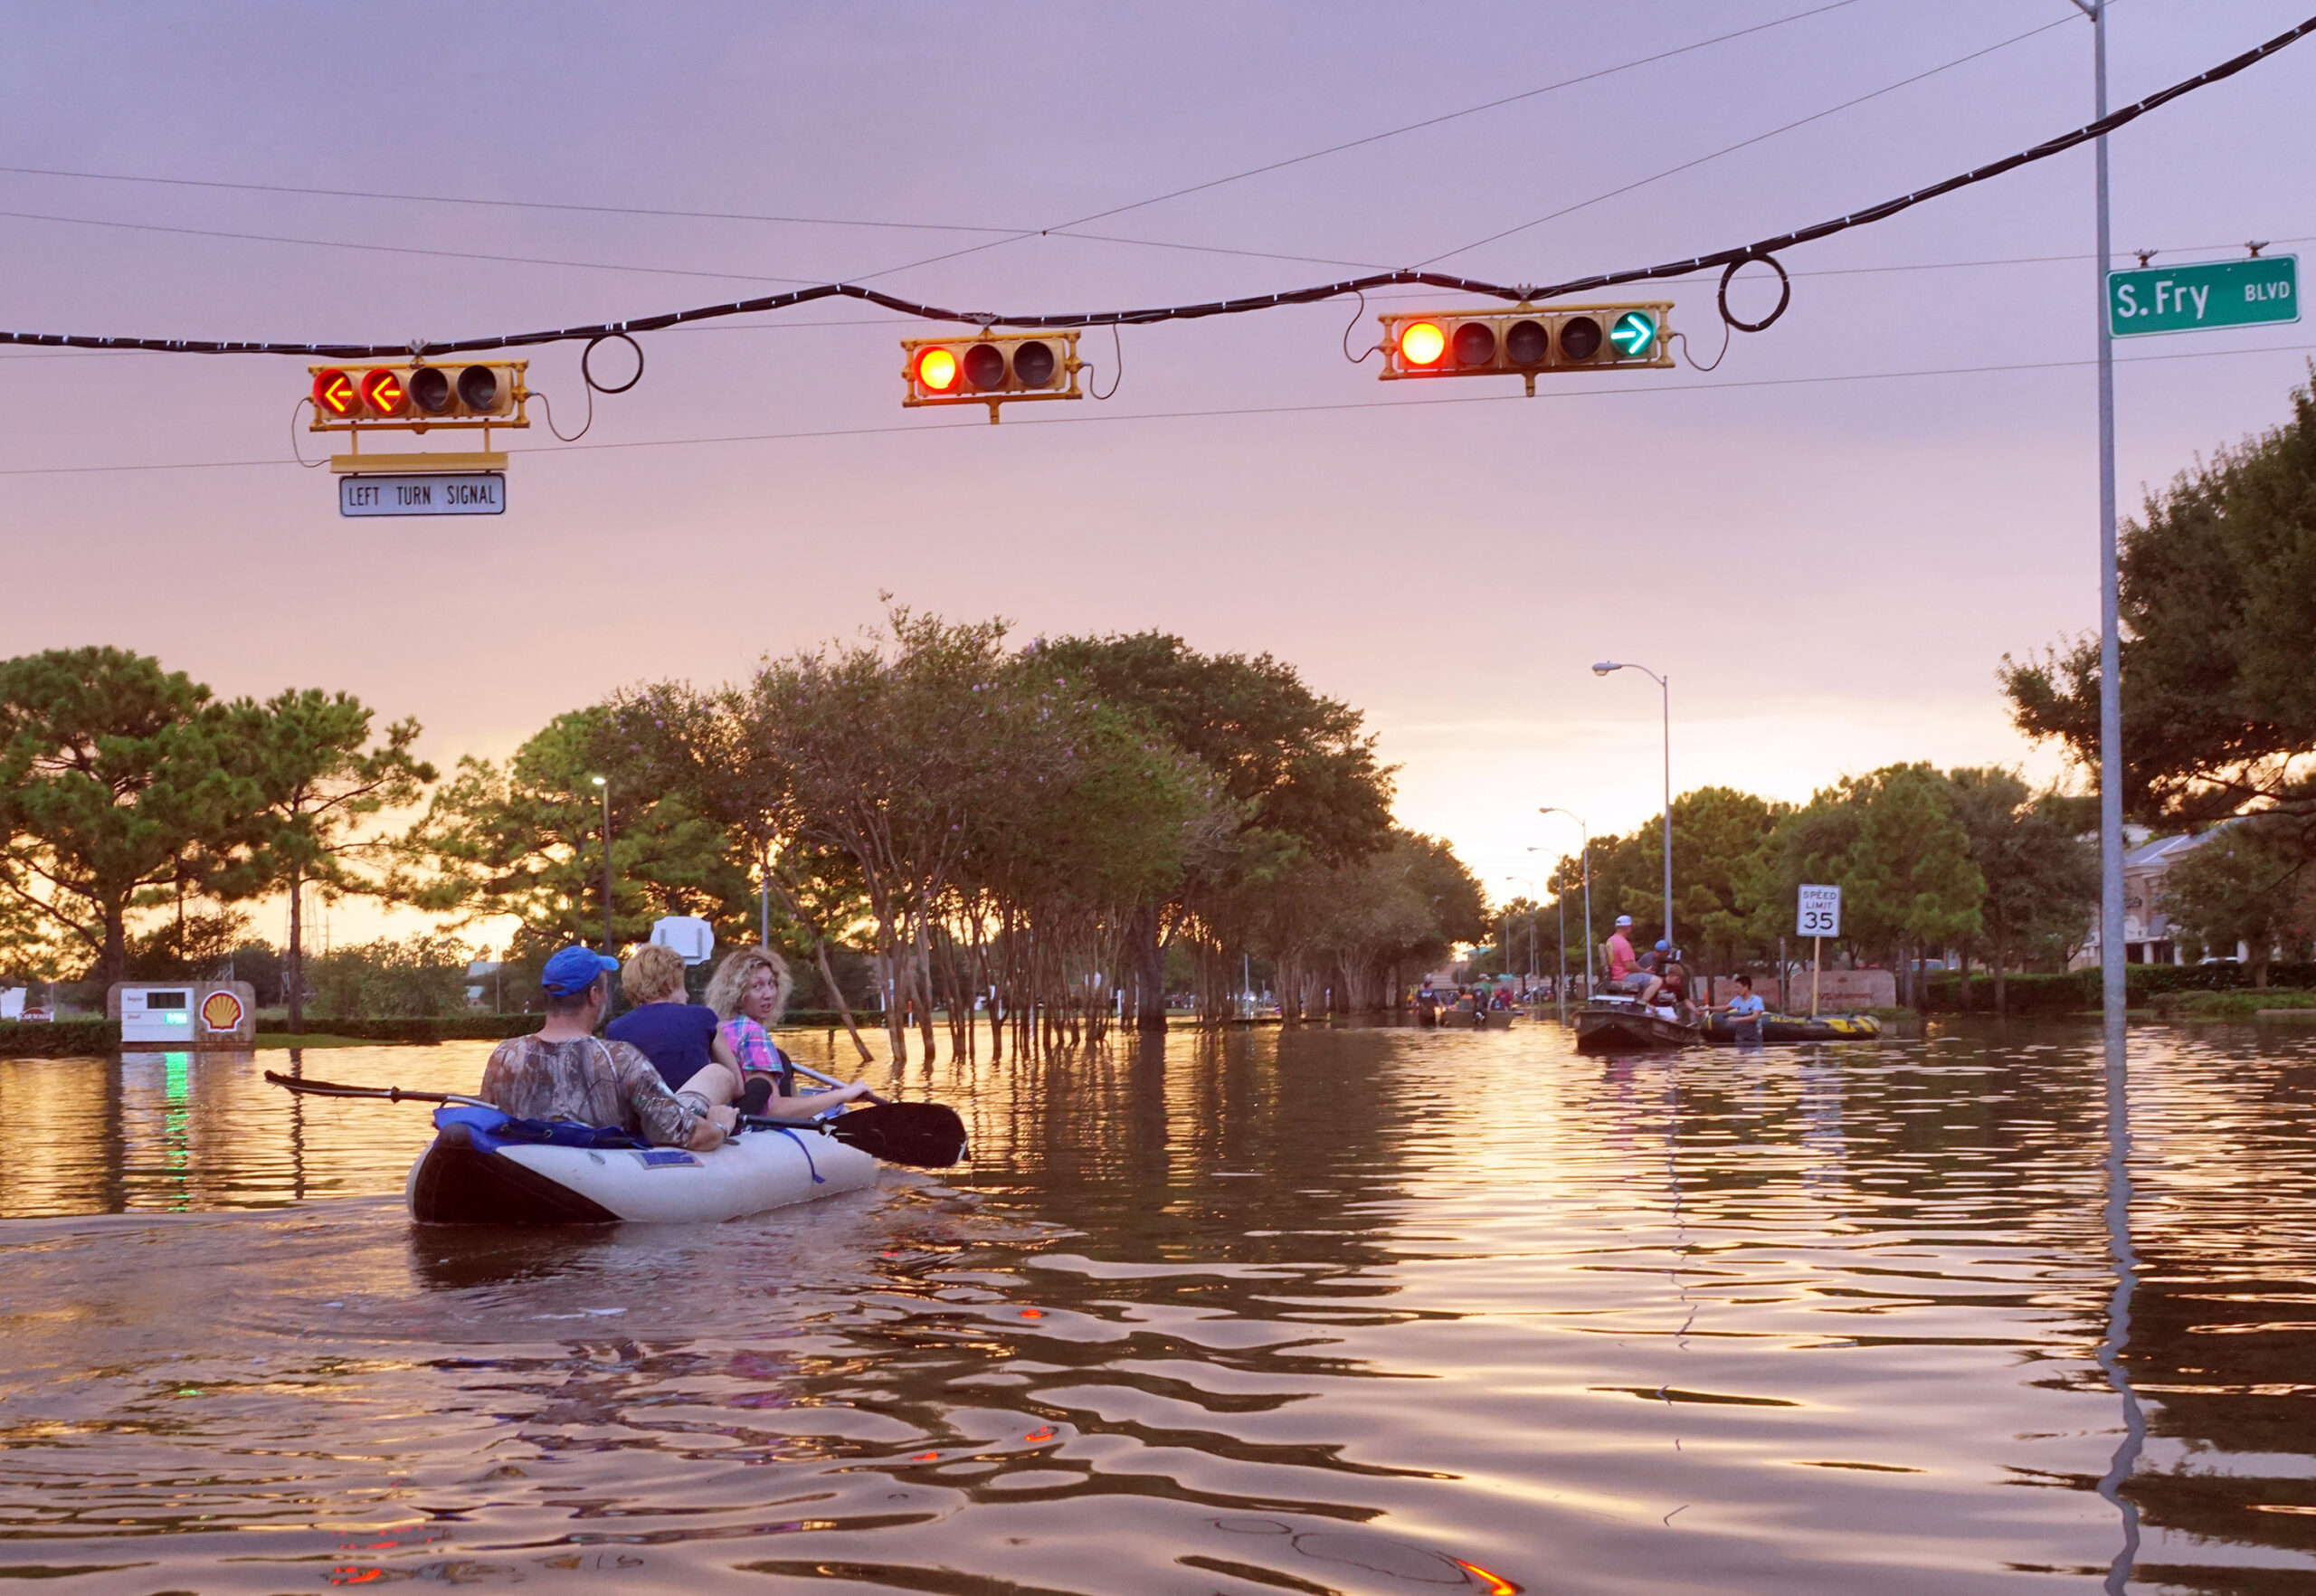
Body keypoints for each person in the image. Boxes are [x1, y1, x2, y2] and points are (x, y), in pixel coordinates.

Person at [479, 945, 729, 1151]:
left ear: (549, 997)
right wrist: (720, 1126)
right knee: (717, 1077)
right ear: (594, 995)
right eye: (606, 989)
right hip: (601, 1178)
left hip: (531, 1170)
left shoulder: (504, 1056)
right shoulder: (622, 1060)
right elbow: (692, 1135)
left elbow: (489, 1121)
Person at [703, 945, 874, 1121]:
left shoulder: (720, 1027)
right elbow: (772, 1110)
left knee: (781, 1057)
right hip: (750, 1130)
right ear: (737, 993)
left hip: (726, 1120)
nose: (768, 994)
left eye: (771, 984)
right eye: (757, 986)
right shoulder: (752, 1032)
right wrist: (844, 1094)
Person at [605, 943, 748, 1110]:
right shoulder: (704, 1018)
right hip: (691, 1123)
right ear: (672, 983)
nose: (687, 995)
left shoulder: (615, 1029)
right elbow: (737, 1087)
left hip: (639, 1123)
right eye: (682, 984)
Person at [1603, 916, 1653, 999]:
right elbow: (1629, 966)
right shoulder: (1623, 944)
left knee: (1645, 978)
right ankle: (1644, 1004)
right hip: (1624, 976)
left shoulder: (1610, 941)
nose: (1631, 930)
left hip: (1615, 974)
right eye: (1630, 927)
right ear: (1627, 927)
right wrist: (1645, 971)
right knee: (1657, 981)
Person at [1719, 972, 1769, 1044]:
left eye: (1737, 987)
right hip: (1740, 1037)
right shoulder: (1737, 999)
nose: (1736, 990)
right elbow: (1724, 1008)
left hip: (1754, 1037)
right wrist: (1707, 1008)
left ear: (1746, 987)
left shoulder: (1756, 1000)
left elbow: (1755, 1017)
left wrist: (1736, 1019)